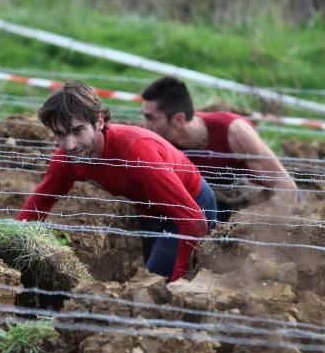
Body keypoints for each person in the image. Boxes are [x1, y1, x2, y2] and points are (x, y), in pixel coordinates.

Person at [17, 81, 217, 282]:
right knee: (152, 275)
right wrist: (14, 238)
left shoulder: (137, 153)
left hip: (193, 204)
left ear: (99, 122)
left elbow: (193, 221)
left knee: (156, 282)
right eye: (60, 134)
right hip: (149, 209)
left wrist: (177, 285)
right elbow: (42, 200)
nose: (69, 144)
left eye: (78, 130)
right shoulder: (68, 158)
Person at [141, 76, 298, 214]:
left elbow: (283, 184)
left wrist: (279, 229)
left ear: (179, 120)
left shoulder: (234, 132)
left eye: (151, 118)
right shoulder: (158, 144)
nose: (145, 125)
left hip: (256, 209)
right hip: (210, 209)